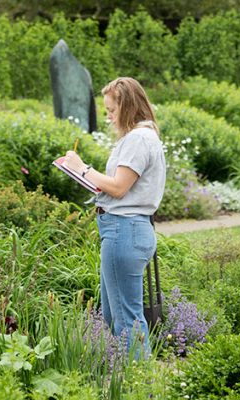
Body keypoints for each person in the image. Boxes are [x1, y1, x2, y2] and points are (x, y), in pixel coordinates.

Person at [63, 77, 166, 355]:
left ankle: (140, 389)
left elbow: (119, 187)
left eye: (112, 110)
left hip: (125, 231)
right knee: (114, 316)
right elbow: (120, 185)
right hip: (123, 230)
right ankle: (134, 381)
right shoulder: (143, 137)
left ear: (128, 107)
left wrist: (82, 168)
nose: (108, 117)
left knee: (126, 319)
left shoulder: (138, 139)